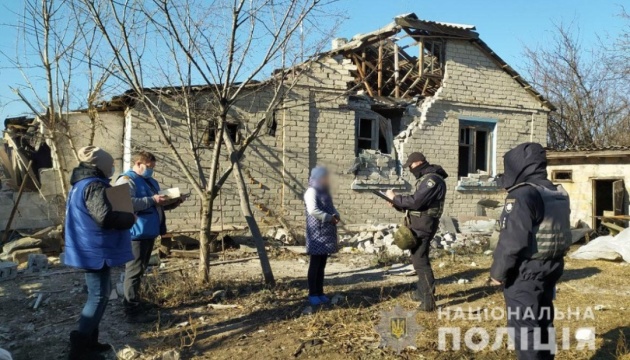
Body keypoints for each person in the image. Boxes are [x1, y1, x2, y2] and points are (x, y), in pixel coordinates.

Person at [490, 142, 571, 360]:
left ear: (517, 166)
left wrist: (497, 274)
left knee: (525, 328)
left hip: (526, 272)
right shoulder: (556, 191)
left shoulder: (523, 195)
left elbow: (512, 241)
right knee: (544, 322)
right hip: (552, 266)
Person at [64, 146, 136, 359]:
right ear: (101, 165)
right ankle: (79, 349)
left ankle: (90, 342)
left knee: (100, 296)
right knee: (98, 297)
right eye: (111, 164)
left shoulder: (80, 184)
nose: (113, 167)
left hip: (88, 247)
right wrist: (130, 218)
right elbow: (104, 218)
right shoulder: (94, 186)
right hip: (94, 250)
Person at [116, 151, 183, 322]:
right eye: (149, 167)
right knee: (133, 271)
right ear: (138, 164)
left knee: (140, 270)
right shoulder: (126, 180)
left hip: (149, 232)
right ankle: (131, 310)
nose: (151, 170)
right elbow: (123, 204)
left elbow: (156, 206)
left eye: (153, 167)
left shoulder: (149, 181)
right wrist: (153, 200)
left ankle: (137, 302)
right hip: (135, 234)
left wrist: (172, 201)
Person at [386, 152, 447, 311]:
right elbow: (418, 205)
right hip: (419, 224)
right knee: (418, 259)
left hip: (423, 226)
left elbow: (416, 202)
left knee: (420, 262)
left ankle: (428, 302)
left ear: (419, 163)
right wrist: (398, 204)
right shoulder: (426, 179)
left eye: (411, 166)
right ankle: (421, 293)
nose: (411, 169)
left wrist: (395, 197)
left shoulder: (432, 180)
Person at [304, 166, 340, 306]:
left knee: (322, 264)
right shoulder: (311, 191)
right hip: (316, 233)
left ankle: (320, 292)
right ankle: (313, 294)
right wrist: (328, 218)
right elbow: (313, 210)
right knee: (315, 264)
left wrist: (336, 215)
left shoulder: (324, 192)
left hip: (326, 232)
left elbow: (331, 207)